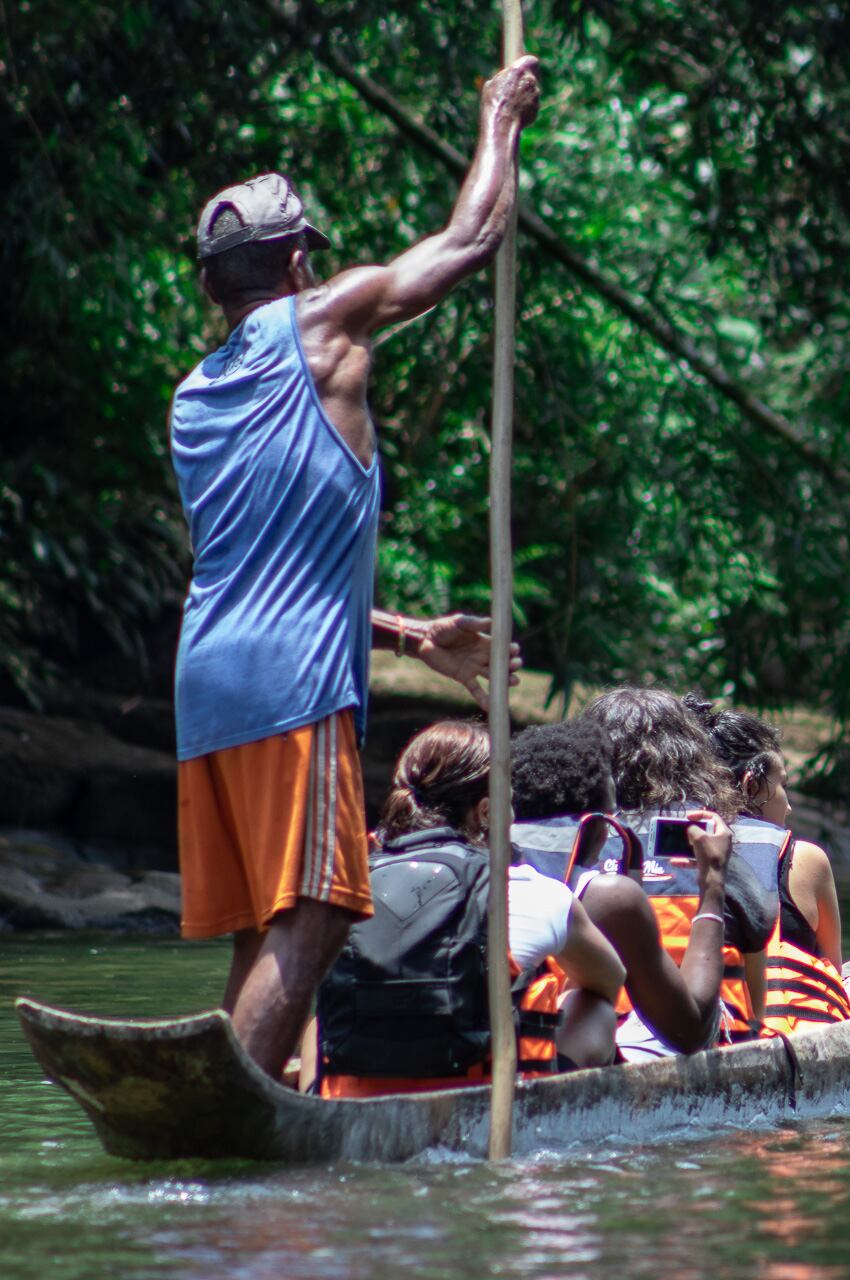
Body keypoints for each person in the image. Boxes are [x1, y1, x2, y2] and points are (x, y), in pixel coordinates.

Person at [169, 55, 542, 1076]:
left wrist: (411, 633)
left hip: (208, 679)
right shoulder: (325, 326)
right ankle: (230, 1101)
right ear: (298, 265)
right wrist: (499, 123)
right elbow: (470, 238)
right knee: (325, 903)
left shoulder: (193, 397)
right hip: (293, 682)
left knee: (264, 918)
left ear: (215, 287)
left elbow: (266, 561)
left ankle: (263, 1105)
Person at [310, 722, 625, 1097]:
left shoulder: (349, 885)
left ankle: (316, 1100)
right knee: (594, 1006)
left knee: (317, 1017)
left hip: (355, 1102)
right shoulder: (530, 891)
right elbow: (609, 980)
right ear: (487, 811)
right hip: (482, 1100)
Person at [508, 719, 734, 1057]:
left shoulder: (484, 873)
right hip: (528, 1076)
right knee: (593, 1005)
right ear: (602, 826)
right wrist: (713, 881)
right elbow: (692, 1033)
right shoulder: (608, 897)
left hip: (448, 1065)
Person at [581, 686, 782, 1042]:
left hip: (601, 1033)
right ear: (690, 755)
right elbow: (757, 999)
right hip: (709, 1034)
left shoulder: (582, 841)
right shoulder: (713, 842)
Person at [689, 697, 850, 1033]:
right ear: (753, 784)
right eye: (783, 786)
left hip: (712, 1030)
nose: (789, 807)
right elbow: (834, 969)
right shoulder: (805, 859)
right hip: (794, 1032)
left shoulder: (673, 851)